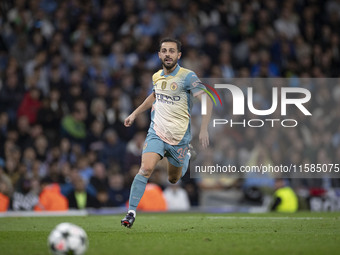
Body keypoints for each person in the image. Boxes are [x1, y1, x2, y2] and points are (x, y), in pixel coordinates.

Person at [121, 38, 212, 228]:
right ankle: (131, 212)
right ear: (159, 54)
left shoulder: (188, 77)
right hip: (156, 132)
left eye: (172, 51)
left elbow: (207, 100)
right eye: (164, 50)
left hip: (179, 138)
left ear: (179, 55)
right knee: (145, 169)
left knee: (173, 179)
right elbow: (154, 96)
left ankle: (186, 153)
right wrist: (135, 113)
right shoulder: (156, 77)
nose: (168, 54)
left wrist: (203, 129)